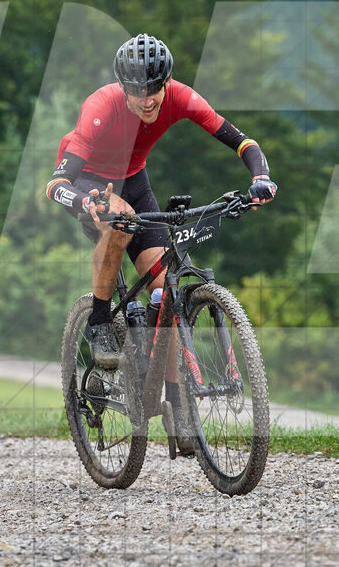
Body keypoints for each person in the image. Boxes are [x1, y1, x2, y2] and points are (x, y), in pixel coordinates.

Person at [45, 34, 276, 445]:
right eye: (137, 90)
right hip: (90, 181)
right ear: (123, 86)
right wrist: (85, 200)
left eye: (155, 88)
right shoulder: (100, 107)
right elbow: (56, 183)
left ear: (166, 82)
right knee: (119, 219)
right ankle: (99, 319)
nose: (147, 99)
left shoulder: (181, 97)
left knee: (163, 288)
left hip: (134, 178)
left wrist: (259, 177)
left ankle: (177, 405)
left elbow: (241, 140)